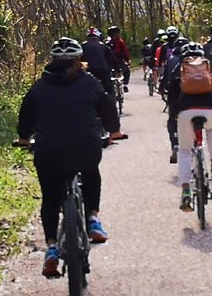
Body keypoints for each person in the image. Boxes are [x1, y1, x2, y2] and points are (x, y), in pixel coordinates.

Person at [15, 37, 121, 277]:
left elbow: (25, 117)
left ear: (52, 61)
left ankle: (52, 247)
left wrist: (23, 138)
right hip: (85, 147)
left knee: (50, 197)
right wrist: (114, 130)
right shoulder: (90, 83)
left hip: (48, 151)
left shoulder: (39, 87)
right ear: (79, 60)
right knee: (91, 172)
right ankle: (93, 218)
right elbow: (107, 108)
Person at [166, 41, 212, 211]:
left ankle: (186, 192)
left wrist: (173, 115)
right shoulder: (211, 65)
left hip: (186, 111)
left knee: (185, 150)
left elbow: (171, 95)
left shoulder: (178, 68)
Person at [158, 36, 189, 163]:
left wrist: (161, 89)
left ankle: (175, 144)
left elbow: (166, 77)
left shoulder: (171, 59)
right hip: (194, 96)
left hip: (175, 95)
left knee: (172, 120)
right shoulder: (193, 60)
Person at [82, 27, 118, 99]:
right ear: (97, 36)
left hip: (88, 71)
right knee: (109, 90)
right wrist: (118, 69)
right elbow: (112, 58)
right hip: (103, 70)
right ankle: (111, 105)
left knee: (84, 89)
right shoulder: (103, 46)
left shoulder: (82, 46)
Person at [106, 25, 131, 92]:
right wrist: (128, 59)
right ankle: (125, 85)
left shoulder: (107, 42)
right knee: (127, 71)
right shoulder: (120, 41)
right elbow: (125, 51)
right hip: (119, 60)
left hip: (109, 61)